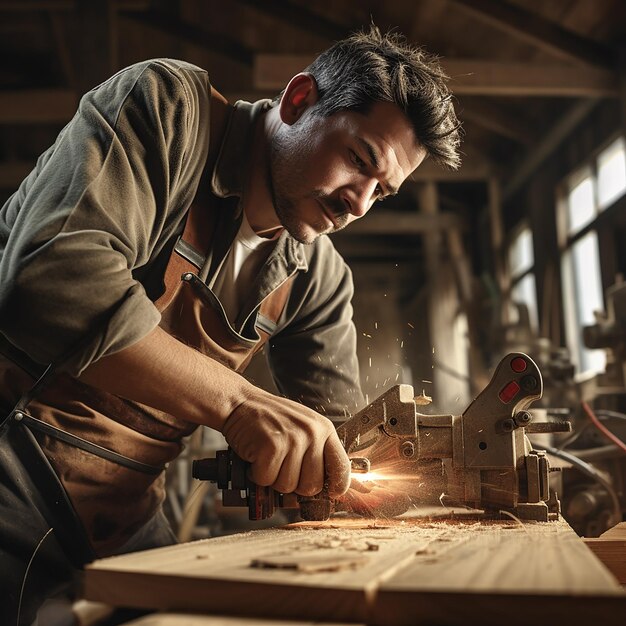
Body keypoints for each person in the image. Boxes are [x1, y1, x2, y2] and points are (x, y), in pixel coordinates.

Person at [0, 25, 461, 624]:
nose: (360, 203)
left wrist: (355, 477)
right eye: (358, 159)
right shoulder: (172, 112)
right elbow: (51, 279)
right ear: (298, 101)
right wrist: (240, 403)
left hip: (123, 513)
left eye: (383, 191)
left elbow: (339, 452)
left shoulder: (319, 277)